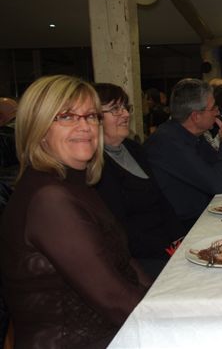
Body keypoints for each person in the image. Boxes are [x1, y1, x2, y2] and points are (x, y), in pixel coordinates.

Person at [0, 75, 149, 348]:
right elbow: (114, 299)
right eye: (67, 116)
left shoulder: (74, 184)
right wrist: (175, 321)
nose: (85, 126)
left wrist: (164, 301)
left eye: (91, 116)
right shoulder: (49, 198)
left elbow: (125, 263)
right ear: (39, 128)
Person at [93, 83, 185, 279]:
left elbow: (161, 199)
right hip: (138, 259)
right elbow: (120, 229)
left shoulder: (133, 148)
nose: (126, 114)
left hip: (164, 246)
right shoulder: (95, 164)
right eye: (115, 109)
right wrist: (167, 251)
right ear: (94, 118)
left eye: (125, 107)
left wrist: (180, 239)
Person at [144, 78, 222, 229]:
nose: (218, 112)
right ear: (196, 116)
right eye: (213, 108)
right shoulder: (168, 142)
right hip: (181, 228)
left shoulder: (191, 135)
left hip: (201, 216)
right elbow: (217, 184)